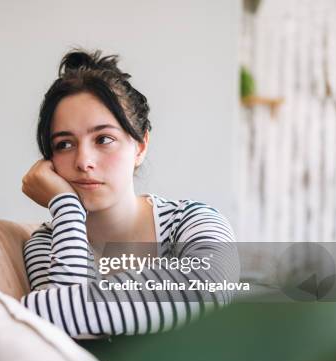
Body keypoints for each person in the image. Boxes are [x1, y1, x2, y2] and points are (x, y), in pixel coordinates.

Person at [19, 49, 239, 343]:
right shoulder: (47, 242)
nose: (84, 161)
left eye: (104, 139)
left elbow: (208, 286)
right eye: (64, 144)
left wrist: (28, 310)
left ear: (140, 145)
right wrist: (66, 207)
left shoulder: (191, 222)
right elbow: (61, 339)